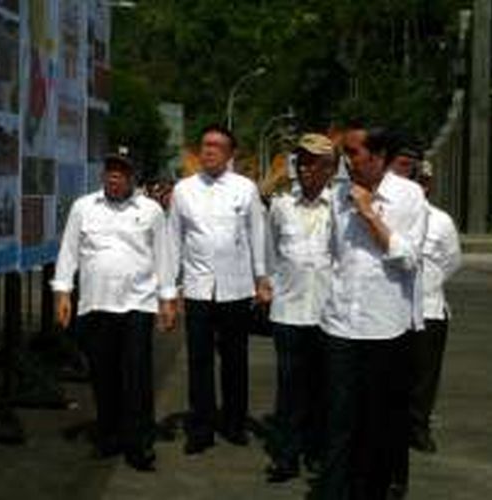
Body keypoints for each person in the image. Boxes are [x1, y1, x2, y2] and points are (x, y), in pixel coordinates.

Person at [315, 126, 428, 500]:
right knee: (337, 420)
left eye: (353, 152)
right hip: (341, 325)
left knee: (378, 424)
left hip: (385, 329)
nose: (346, 159)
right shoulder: (336, 195)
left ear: (378, 157)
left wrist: (368, 213)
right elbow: (335, 254)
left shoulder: (409, 196)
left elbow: (409, 258)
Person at [51, 153, 177, 472]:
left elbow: (163, 256)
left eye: (122, 172)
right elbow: (68, 251)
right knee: (103, 374)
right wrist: (62, 292)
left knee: (136, 375)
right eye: (110, 171)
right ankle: (108, 436)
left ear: (133, 177)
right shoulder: (83, 207)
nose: (114, 177)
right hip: (96, 302)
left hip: (138, 303)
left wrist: (167, 299)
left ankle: (139, 443)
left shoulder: (150, 211)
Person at [168, 124, 272, 455]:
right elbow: (173, 241)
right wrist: (169, 291)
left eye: (217, 146)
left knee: (234, 359)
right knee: (199, 361)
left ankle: (234, 422)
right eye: (205, 145)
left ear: (230, 153)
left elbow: (258, 234)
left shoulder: (246, 188)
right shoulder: (184, 189)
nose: (209, 150)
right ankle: (200, 428)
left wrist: (262, 279)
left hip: (236, 287)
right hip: (198, 289)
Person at [265, 134, 336, 483]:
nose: (307, 169)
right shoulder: (281, 206)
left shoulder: (340, 207)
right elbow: (271, 254)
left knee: (324, 389)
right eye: (302, 161)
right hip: (289, 312)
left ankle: (319, 454)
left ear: (330, 169)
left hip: (328, 315)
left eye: (315, 163)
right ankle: (286, 456)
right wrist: (272, 289)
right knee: (289, 390)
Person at [408, 160, 462, 454]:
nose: (420, 185)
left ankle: (418, 427)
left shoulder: (441, 221)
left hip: (429, 308)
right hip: (396, 310)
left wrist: (428, 283)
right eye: (414, 178)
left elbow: (452, 261)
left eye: (424, 180)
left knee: (425, 376)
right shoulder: (390, 215)